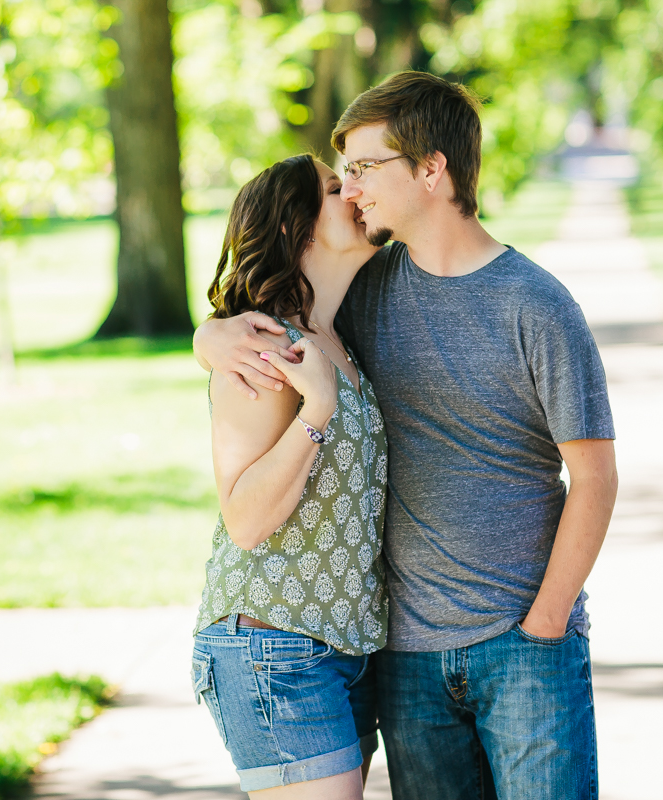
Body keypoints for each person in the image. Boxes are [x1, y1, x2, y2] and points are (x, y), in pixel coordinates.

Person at [193, 72, 618, 800]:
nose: (354, 188)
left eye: (364, 168)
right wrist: (214, 338)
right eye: (343, 176)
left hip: (514, 645)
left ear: (431, 169)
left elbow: (597, 477)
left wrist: (546, 624)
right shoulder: (352, 300)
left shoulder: (531, 304)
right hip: (388, 657)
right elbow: (267, 330)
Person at [190, 153, 390, 800]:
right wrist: (318, 411)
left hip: (344, 650)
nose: (356, 193)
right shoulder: (260, 349)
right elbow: (244, 519)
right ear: (293, 229)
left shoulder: (335, 338)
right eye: (336, 188)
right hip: (274, 644)